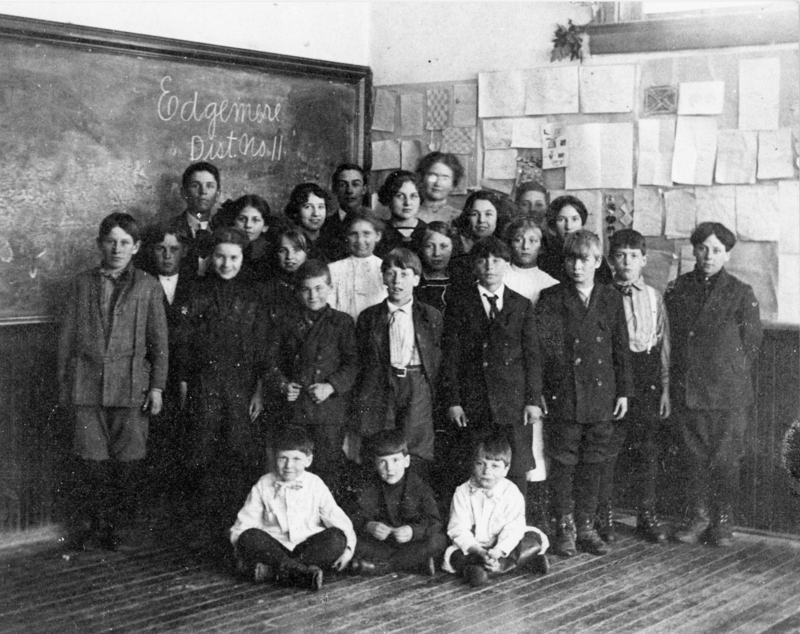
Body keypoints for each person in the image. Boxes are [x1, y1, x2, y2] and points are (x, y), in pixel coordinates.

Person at [57, 212, 168, 551]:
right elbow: (66, 340)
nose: (117, 248)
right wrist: (64, 386)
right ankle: (95, 526)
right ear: (99, 244)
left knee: (128, 462)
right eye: (111, 241)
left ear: (136, 247)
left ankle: (122, 530)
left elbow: (159, 344)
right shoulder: (81, 283)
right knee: (91, 462)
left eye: (124, 242)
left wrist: (157, 387)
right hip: (86, 388)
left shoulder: (148, 286)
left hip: (131, 388)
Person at [534, 230, 632, 558]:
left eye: (585, 259)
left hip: (602, 395)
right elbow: (541, 352)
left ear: (597, 262)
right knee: (563, 462)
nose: (577, 266)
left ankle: (586, 526)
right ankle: (565, 527)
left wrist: (624, 393)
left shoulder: (611, 297)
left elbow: (621, 347)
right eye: (572, 259)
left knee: (593, 462)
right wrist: (540, 392)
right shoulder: (552, 298)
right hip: (564, 394)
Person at [666, 222, 762, 547]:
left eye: (717, 250)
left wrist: (724, 371)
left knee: (725, 458)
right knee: (692, 458)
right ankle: (698, 516)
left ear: (728, 255)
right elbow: (672, 339)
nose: (709, 256)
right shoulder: (678, 288)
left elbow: (751, 343)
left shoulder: (741, 292)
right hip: (690, 390)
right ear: (693, 250)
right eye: (703, 249)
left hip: (728, 392)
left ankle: (722, 521)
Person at [174, 227, 268, 550]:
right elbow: (182, 341)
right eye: (220, 256)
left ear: (243, 258)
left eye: (233, 257)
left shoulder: (253, 294)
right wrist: (185, 382)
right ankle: (203, 531)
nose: (226, 264)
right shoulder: (195, 290)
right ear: (210, 257)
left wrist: (259, 389)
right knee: (201, 451)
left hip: (241, 386)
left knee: (239, 451)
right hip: (204, 383)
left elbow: (262, 346)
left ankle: (238, 528)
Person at [441, 237, 542, 500]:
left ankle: (515, 526)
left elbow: (532, 357)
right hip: (475, 401)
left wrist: (532, 400)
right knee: (475, 465)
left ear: (507, 265)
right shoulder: (459, 303)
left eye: (497, 260)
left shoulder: (521, 305)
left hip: (513, 402)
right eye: (483, 260)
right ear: (474, 265)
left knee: (516, 465)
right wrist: (453, 401)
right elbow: (450, 358)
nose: (490, 266)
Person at [597, 229, 671, 544]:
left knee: (648, 451)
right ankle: (604, 516)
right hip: (613, 375)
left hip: (647, 375)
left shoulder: (654, 296)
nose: (626, 262)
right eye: (620, 255)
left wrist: (665, 387)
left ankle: (647, 515)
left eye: (633, 256)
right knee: (608, 449)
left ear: (644, 259)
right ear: (611, 260)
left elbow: (664, 343)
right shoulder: (601, 294)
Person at [265, 259, 358, 488]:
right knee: (292, 469)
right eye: (306, 289)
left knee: (328, 468)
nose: (313, 295)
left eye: (318, 288)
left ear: (330, 288)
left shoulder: (342, 322)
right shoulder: (285, 322)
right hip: (295, 410)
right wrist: (283, 385)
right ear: (297, 291)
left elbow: (353, 364)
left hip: (329, 412)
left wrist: (331, 386)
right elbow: (270, 362)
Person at [230, 429, 356, 591]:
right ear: (275, 458)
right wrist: (240, 550)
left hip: (307, 548)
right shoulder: (264, 483)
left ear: (308, 460)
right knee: (249, 536)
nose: (289, 466)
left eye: (296, 459)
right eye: (283, 458)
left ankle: (273, 572)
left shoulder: (315, 484)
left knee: (337, 538)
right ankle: (301, 573)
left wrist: (348, 549)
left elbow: (338, 518)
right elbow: (244, 523)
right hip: (275, 548)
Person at [355, 248, 443, 479]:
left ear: (416, 279)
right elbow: (362, 361)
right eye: (391, 273)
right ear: (383, 277)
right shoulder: (369, 317)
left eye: (404, 274)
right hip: (381, 384)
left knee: (416, 445)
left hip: (417, 382)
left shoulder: (431, 316)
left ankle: (414, 502)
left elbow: (436, 358)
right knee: (381, 441)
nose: (397, 281)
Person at [442, 432, 549, 588]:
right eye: (480, 464)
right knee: (455, 555)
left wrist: (499, 550)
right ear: (473, 465)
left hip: (502, 547)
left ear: (506, 469)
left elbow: (513, 527)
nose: (487, 471)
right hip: (475, 548)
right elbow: (458, 529)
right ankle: (522, 563)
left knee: (532, 540)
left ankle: (490, 570)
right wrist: (479, 551)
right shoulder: (462, 492)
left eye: (495, 466)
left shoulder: (512, 492)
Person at [139, 219, 197, 499]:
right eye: (161, 249)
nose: (167, 255)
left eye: (173, 249)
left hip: (187, 376)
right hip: (151, 377)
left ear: (184, 251)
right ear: (151, 251)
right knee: (153, 442)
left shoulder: (195, 286)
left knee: (185, 441)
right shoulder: (143, 284)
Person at [349, 430, 447, 575]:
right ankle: (412, 563)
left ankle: (384, 567)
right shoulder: (368, 485)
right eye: (382, 462)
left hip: (410, 543)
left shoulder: (419, 485)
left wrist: (413, 531)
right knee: (349, 540)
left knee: (438, 540)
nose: (390, 469)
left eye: (395, 460)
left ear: (406, 461)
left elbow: (434, 521)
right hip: (381, 544)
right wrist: (369, 526)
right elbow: (353, 515)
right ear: (375, 464)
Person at [537, 195, 613, 285]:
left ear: (582, 222)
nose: (569, 226)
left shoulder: (594, 256)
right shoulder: (545, 259)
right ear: (553, 224)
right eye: (561, 219)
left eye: (575, 219)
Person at [328, 211, 387, 322]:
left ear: (378, 236)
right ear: (346, 236)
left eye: (366, 234)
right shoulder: (333, 270)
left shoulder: (386, 269)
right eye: (353, 234)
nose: (360, 241)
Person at [173, 161, 222, 276]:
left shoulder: (225, 228)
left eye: (210, 186)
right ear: (184, 192)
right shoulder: (168, 228)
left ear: (218, 194)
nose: (203, 192)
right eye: (195, 185)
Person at [503, 219, 559, 307]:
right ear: (510, 244)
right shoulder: (498, 275)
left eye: (533, 241)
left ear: (541, 247)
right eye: (518, 240)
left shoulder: (549, 283)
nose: (525, 246)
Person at [321, 163, 371, 261]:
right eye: (343, 185)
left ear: (364, 190)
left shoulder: (375, 225)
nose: (349, 190)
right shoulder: (324, 227)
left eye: (355, 184)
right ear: (335, 189)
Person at [231, 194, 287, 280]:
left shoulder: (270, 255)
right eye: (242, 219)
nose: (248, 225)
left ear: (265, 227)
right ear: (234, 221)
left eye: (255, 220)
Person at [375, 170, 428, 259]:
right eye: (400, 196)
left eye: (413, 196)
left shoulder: (427, 232)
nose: (407, 203)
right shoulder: (379, 232)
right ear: (389, 197)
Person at [284, 183, 339, 263]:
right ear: (296, 210)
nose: (316, 213)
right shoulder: (288, 242)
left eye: (321, 207)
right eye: (308, 207)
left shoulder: (333, 243)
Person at [262, 227, 308, 323]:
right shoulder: (267, 289)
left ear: (307, 253)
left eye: (296, 250)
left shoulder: (312, 285)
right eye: (283, 250)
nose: (289, 257)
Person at [416, 221, 459, 315]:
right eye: (429, 246)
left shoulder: (459, 281)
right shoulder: (415, 283)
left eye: (443, 246)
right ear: (421, 248)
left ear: (453, 248)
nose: (437, 253)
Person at [415, 152, 464, 224]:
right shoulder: (410, 214)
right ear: (422, 178)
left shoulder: (459, 217)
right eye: (433, 176)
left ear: (453, 184)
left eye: (445, 178)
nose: (438, 183)